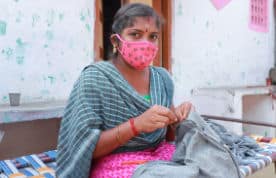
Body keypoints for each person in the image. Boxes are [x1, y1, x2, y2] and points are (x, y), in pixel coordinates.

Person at [56, 3, 193, 178]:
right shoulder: (94, 79)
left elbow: (169, 129)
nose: (146, 43)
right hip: (116, 163)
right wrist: (135, 126)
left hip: (160, 158)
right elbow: (83, 147)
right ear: (115, 41)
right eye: (135, 34)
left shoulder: (162, 78)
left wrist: (180, 118)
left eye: (153, 36)